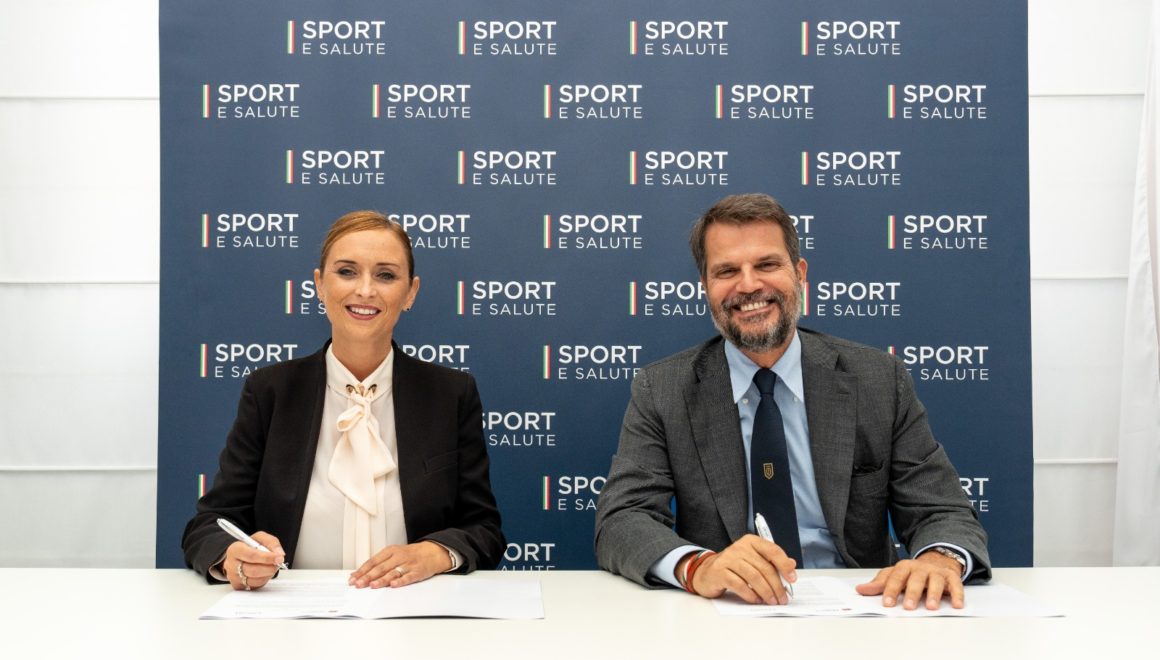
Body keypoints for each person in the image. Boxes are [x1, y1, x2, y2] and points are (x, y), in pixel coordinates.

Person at [594, 193, 989, 610]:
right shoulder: (662, 389)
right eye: (727, 271)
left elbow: (942, 509)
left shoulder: (878, 379)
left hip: (863, 611)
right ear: (706, 287)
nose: (749, 285)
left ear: (799, 274)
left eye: (767, 265)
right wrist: (697, 567)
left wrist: (939, 559)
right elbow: (623, 518)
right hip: (727, 612)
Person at [183, 210, 504, 590]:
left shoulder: (450, 394)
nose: (365, 290)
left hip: (413, 609)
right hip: (292, 610)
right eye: (347, 272)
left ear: (410, 293)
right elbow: (210, 525)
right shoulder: (270, 391)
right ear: (320, 284)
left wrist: (435, 553)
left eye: (386, 275)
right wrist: (234, 556)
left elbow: (484, 529)